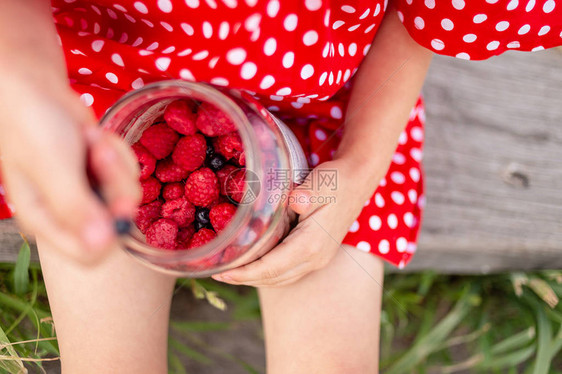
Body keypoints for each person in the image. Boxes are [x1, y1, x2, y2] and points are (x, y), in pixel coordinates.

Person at [0, 0, 558, 373]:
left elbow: (430, 16)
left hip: (331, 114)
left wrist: (361, 165)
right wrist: (28, 92)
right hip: (110, 103)